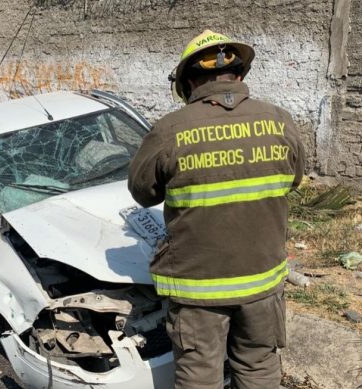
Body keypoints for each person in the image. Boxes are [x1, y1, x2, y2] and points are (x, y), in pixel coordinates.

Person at [128, 30, 305, 388]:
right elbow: (294, 179)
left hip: (198, 291)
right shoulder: (280, 121)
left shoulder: (170, 131)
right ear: (239, 75)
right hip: (262, 282)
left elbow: (142, 192)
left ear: (190, 81)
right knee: (259, 368)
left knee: (199, 378)